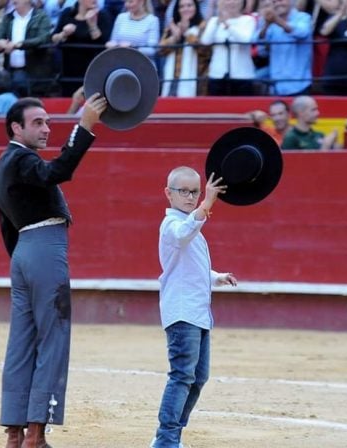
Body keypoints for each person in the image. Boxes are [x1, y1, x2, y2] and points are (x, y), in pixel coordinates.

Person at [0, 92, 108, 448]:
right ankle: (36, 434)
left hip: (23, 253)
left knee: (21, 343)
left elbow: (6, 225)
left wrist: (22, 258)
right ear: (16, 127)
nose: (46, 129)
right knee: (53, 338)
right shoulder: (22, 159)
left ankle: (15, 433)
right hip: (43, 249)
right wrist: (84, 127)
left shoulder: (5, 164)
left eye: (48, 121)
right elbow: (58, 170)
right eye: (37, 123)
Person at [150, 167, 237, 448]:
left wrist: (216, 277)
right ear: (168, 194)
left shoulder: (190, 226)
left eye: (194, 192)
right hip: (182, 312)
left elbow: (190, 268)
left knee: (198, 377)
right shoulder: (172, 224)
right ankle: (166, 440)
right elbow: (182, 235)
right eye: (183, 191)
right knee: (183, 375)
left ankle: (171, 435)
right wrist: (206, 204)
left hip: (197, 312)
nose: (190, 197)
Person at [52, 0, 114, 97]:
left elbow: (104, 43)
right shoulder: (67, 13)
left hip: (92, 68)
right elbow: (53, 38)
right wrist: (63, 34)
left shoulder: (103, 15)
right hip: (69, 70)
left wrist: (92, 25)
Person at [0, 0, 54, 97]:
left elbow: (43, 38)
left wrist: (19, 45)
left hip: (34, 72)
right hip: (10, 71)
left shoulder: (41, 16)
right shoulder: (8, 18)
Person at [253, 0, 313, 96]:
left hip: (300, 84)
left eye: (281, 0)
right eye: (274, 2)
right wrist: (266, 25)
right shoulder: (267, 21)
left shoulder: (303, 17)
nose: (277, 4)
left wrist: (277, 21)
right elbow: (260, 47)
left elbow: (302, 33)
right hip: (277, 85)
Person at [200, 0, 257, 95]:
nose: (231, 2)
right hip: (217, 74)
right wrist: (218, 21)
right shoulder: (214, 21)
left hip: (242, 75)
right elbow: (206, 41)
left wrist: (227, 25)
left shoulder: (248, 20)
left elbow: (245, 40)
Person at [158, 0, 211, 97]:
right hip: (172, 80)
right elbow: (160, 50)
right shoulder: (172, 28)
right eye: (181, 6)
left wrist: (186, 33)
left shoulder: (203, 26)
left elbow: (205, 51)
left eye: (189, 5)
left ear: (196, 7)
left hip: (195, 80)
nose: (185, 9)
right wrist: (175, 37)